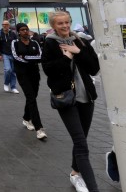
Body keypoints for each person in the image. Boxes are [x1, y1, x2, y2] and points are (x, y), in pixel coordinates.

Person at [42, 10, 101, 192]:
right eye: (60, 23)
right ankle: (93, 188)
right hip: (66, 98)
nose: (65, 26)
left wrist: (78, 51)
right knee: (81, 143)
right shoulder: (50, 44)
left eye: (67, 22)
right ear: (54, 26)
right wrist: (66, 58)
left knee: (81, 139)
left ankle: (75, 173)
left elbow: (94, 68)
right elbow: (49, 72)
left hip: (86, 97)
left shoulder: (81, 41)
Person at [11, 23, 47, 140]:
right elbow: (16, 56)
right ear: (18, 32)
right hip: (22, 74)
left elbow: (40, 55)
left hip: (34, 74)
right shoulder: (15, 43)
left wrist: (26, 57)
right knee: (31, 97)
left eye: (26, 29)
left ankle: (26, 118)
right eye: (22, 30)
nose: (25, 32)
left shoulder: (34, 43)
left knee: (33, 97)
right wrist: (28, 59)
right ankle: (39, 128)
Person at [0, 20, 19, 93]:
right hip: (5, 54)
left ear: (9, 25)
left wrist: (19, 53)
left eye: (6, 24)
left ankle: (13, 87)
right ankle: (6, 83)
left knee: (14, 71)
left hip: (13, 54)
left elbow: (17, 43)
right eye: (3, 24)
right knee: (8, 70)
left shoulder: (13, 34)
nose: (4, 26)